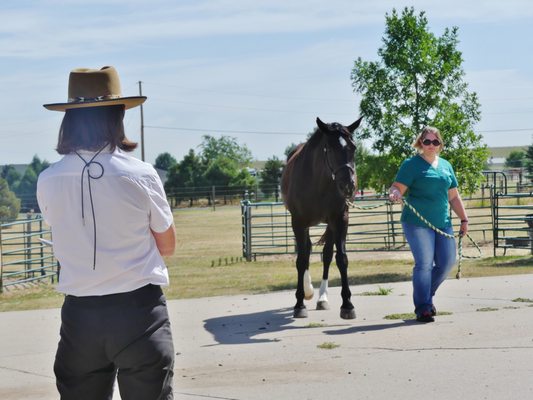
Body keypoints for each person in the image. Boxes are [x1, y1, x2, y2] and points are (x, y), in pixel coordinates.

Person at [37, 66, 176, 399]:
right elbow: (167, 245)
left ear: (68, 118)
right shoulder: (141, 174)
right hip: (139, 313)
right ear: (118, 116)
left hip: (80, 319)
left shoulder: (48, 179)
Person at [388, 126, 468, 323]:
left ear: (440, 144)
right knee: (424, 264)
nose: (431, 145)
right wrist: (395, 193)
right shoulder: (411, 165)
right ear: (420, 143)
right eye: (427, 141)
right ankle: (423, 307)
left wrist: (464, 219)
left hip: (443, 223)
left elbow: (454, 196)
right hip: (417, 223)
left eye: (435, 142)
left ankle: (425, 296)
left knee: (447, 262)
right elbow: (397, 187)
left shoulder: (446, 166)